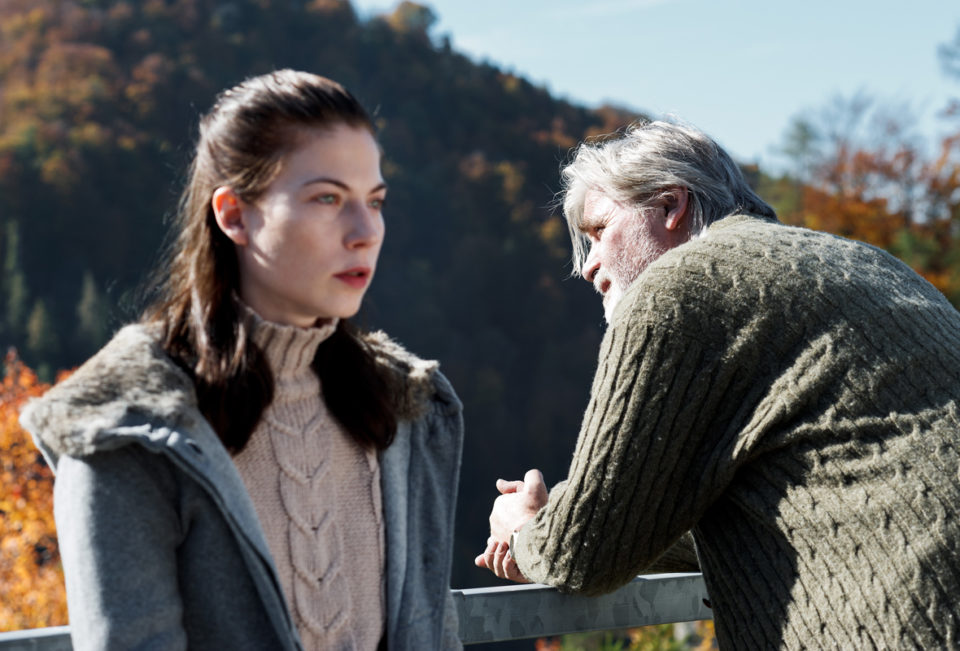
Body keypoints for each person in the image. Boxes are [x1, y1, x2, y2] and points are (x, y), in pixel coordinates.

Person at [21, 69, 463, 650]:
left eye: (375, 202)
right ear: (233, 214)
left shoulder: (402, 407)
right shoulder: (129, 426)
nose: (366, 232)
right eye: (328, 198)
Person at [476, 120, 960, 648]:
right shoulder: (870, 266)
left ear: (669, 205)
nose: (588, 267)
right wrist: (565, 509)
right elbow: (784, 505)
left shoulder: (681, 288)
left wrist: (524, 531)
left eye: (598, 231)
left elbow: (581, 555)